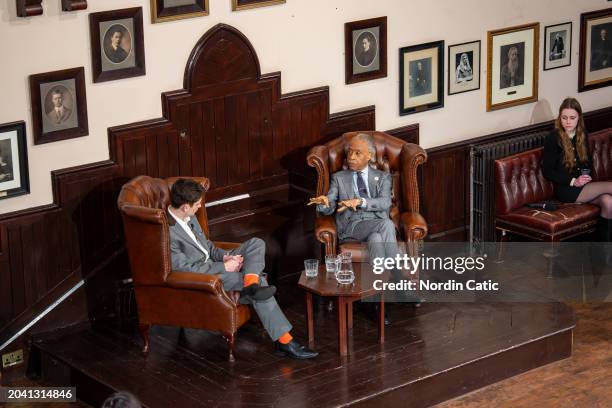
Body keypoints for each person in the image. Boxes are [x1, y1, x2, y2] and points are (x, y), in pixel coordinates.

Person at [168, 178, 317, 359]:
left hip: (218, 264)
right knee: (262, 281)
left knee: (256, 243)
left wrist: (225, 256)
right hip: (206, 276)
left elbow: (207, 247)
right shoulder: (168, 232)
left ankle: (250, 283)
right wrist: (224, 266)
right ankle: (284, 342)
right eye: (197, 204)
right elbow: (185, 269)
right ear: (185, 206)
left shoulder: (189, 216)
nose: (199, 207)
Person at [309, 133, 410, 318]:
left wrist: (361, 202)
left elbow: (385, 203)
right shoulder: (339, 178)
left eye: (357, 153)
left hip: (375, 227)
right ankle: (398, 281)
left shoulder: (383, 177)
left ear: (369, 156)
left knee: (377, 239)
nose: (351, 157)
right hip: (352, 228)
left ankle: (377, 304)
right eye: (349, 153)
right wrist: (323, 203)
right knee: (385, 225)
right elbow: (330, 204)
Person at [543, 97, 612, 241]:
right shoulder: (553, 138)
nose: (568, 122)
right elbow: (547, 171)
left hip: (585, 186)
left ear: (578, 118)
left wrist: (586, 175)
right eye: (564, 117)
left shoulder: (582, 134)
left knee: (608, 203)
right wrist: (573, 181)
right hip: (568, 190)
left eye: (572, 118)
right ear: (560, 117)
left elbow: (588, 162)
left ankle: (602, 257)